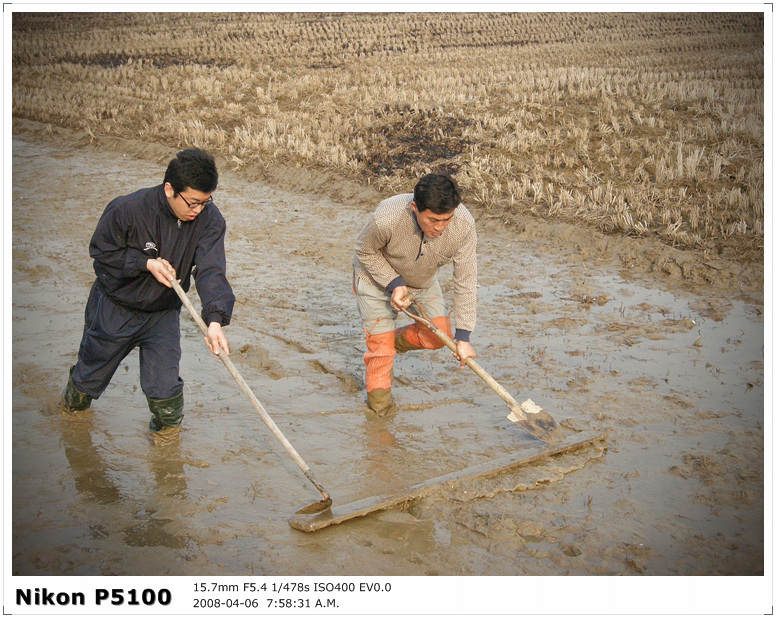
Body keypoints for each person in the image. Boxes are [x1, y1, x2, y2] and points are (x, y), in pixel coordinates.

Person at [59, 148, 235, 444]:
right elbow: (101, 252)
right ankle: (70, 419)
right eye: (193, 203)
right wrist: (145, 263)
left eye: (206, 202)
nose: (199, 210)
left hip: (162, 315)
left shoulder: (210, 220)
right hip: (115, 308)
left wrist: (214, 319)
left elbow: (211, 270)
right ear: (170, 189)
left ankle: (166, 450)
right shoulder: (128, 210)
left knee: (165, 390)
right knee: (88, 379)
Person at [353, 173, 477, 416]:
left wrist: (464, 336)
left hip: (421, 283)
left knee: (439, 337)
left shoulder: (463, 225)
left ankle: (390, 344)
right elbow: (364, 251)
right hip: (375, 281)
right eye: (432, 220)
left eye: (446, 219)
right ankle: (380, 418)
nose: (440, 228)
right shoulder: (386, 217)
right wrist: (394, 283)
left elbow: (466, 280)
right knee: (380, 354)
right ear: (414, 208)